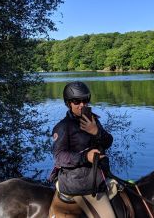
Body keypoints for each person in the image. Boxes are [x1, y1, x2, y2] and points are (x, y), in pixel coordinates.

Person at [51, 81, 116, 218]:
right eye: (76, 101)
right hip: (78, 183)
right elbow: (59, 156)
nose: (82, 105)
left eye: (85, 100)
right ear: (69, 103)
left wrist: (96, 131)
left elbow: (108, 142)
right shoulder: (63, 127)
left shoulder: (91, 120)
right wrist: (85, 157)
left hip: (97, 178)